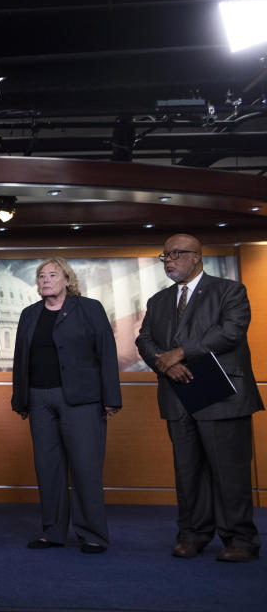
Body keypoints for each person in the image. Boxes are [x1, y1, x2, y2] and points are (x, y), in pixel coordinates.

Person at [136, 234, 262, 562]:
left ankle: (240, 540)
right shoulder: (158, 300)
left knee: (228, 472)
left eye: (176, 254)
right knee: (188, 470)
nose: (169, 260)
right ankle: (192, 535)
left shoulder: (229, 291)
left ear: (197, 257)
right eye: (164, 255)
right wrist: (165, 364)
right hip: (177, 393)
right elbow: (144, 339)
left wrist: (178, 353)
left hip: (221, 393)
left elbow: (230, 331)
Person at [11, 257, 121, 554]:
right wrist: (21, 399)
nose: (45, 280)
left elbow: (106, 353)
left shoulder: (89, 309)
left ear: (67, 280)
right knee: (48, 467)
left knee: (86, 467)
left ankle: (93, 534)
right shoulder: (29, 314)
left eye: (52, 274)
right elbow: (21, 359)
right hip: (39, 399)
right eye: (41, 276)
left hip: (81, 400)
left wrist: (111, 398)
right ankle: (53, 531)